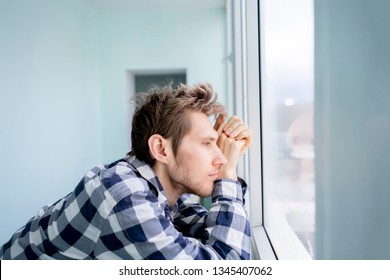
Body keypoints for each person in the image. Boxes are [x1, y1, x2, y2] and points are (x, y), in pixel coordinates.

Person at [0, 83, 253, 260]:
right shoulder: (124, 194)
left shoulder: (162, 191)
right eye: (207, 144)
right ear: (161, 150)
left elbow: (213, 231)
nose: (221, 157)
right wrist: (228, 175)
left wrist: (224, 172)